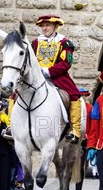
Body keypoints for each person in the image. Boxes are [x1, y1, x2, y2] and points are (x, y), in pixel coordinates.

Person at [32, 15, 82, 144]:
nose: (44, 28)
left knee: (74, 95)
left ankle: (74, 130)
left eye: (47, 25)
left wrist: (48, 71)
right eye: (42, 26)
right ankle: (11, 126)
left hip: (57, 76)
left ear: (55, 26)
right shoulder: (35, 42)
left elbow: (66, 63)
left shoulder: (64, 43)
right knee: (15, 93)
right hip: (36, 76)